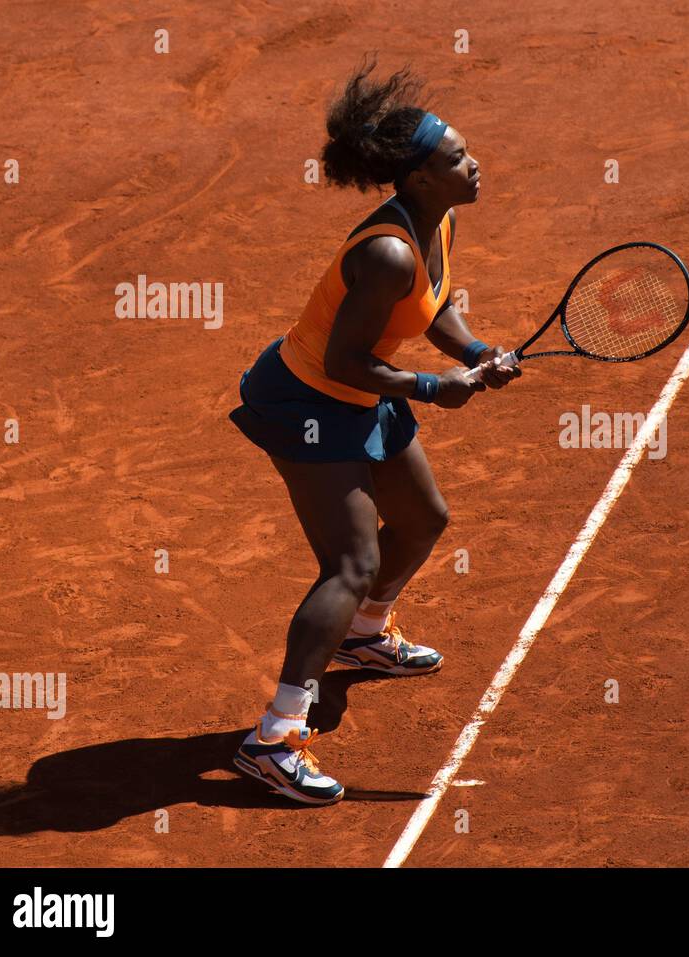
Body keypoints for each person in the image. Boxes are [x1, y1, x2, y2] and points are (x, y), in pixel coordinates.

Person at [227, 60, 520, 805]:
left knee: (423, 518)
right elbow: (343, 359)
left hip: (360, 392)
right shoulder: (387, 251)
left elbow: (438, 305)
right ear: (420, 178)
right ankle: (274, 738)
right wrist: (432, 387)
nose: (472, 162)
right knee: (350, 561)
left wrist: (476, 353)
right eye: (456, 158)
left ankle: (363, 634)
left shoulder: (437, 223)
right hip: (309, 401)